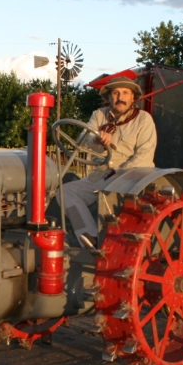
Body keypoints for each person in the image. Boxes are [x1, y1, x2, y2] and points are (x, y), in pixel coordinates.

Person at [62, 75, 157, 247]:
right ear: (109, 97)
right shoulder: (99, 115)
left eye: (125, 93)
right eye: (115, 93)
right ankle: (89, 238)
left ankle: (115, 244)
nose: (120, 98)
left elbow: (144, 155)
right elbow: (83, 138)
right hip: (101, 176)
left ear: (132, 97)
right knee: (65, 191)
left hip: (132, 177)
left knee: (110, 191)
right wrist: (96, 140)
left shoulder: (143, 119)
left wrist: (118, 176)